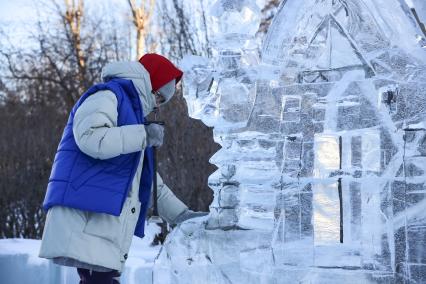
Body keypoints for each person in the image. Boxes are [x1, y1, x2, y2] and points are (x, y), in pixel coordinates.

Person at [38, 54, 207, 284]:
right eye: (158, 96)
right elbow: (90, 137)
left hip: (101, 220)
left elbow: (146, 180)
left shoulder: (132, 116)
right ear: (150, 83)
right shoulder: (108, 95)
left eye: (162, 101)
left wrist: (181, 215)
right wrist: (143, 135)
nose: (157, 104)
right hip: (88, 215)